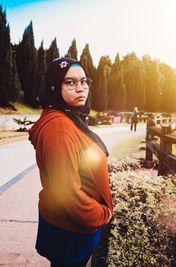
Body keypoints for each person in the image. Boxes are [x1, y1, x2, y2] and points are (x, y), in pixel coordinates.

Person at [29, 57, 113, 267]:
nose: (81, 88)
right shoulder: (59, 127)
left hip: (71, 228)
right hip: (72, 231)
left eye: (84, 81)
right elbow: (68, 195)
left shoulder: (68, 118)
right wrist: (103, 213)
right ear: (54, 86)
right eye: (70, 82)